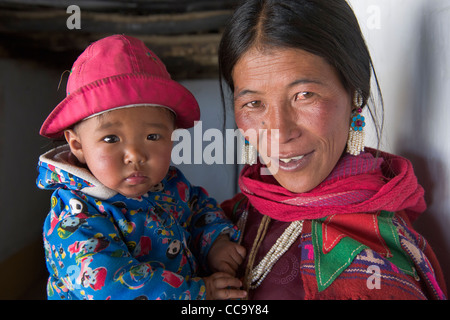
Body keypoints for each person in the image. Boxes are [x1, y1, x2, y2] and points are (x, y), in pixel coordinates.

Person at [218, 0, 447, 300]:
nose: (279, 133)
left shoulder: (378, 261)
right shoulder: (222, 220)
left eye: (304, 95)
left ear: (354, 93)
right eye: (253, 103)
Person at [36, 34, 247, 300]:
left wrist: (215, 241)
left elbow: (198, 208)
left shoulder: (170, 184)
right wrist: (198, 293)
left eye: (152, 137)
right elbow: (112, 285)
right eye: (111, 139)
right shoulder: (75, 218)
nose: (135, 155)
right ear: (77, 145)